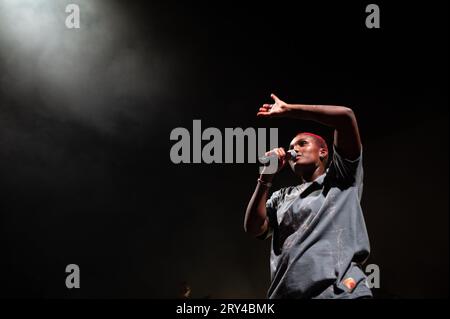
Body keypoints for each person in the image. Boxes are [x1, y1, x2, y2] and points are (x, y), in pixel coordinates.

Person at [244, 93, 372, 299]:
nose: (294, 148)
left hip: (339, 293)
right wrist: (265, 179)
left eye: (302, 143)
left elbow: (346, 117)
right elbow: (254, 228)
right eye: (292, 146)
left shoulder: (341, 177)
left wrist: (289, 110)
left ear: (323, 152)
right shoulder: (282, 197)